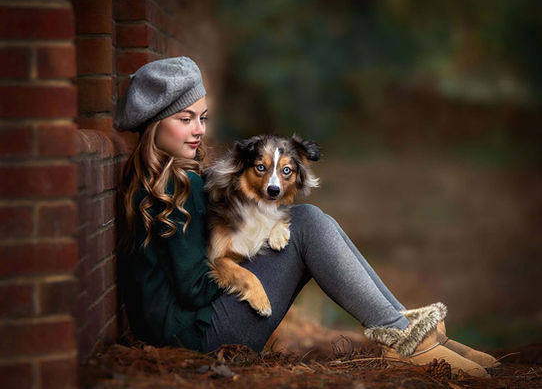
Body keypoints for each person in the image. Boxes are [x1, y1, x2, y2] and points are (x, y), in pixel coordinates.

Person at [113, 56, 500, 378]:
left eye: (203, 117)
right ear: (154, 125)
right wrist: (258, 250)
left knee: (308, 221)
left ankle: (411, 332)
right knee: (307, 225)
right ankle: (406, 338)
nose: (198, 130)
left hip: (195, 328)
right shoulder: (174, 189)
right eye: (185, 119)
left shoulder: (169, 180)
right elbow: (194, 288)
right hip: (197, 340)